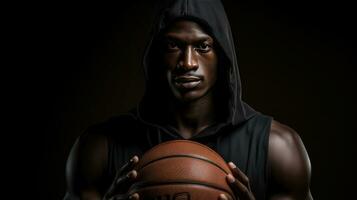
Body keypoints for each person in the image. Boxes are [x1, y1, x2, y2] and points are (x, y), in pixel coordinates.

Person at [64, 0, 312, 199]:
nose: (188, 63)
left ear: (222, 55)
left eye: (203, 47)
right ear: (155, 54)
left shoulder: (278, 149)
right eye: (173, 45)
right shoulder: (98, 149)